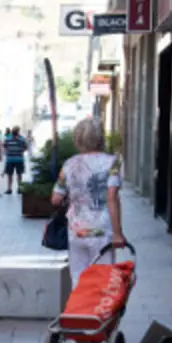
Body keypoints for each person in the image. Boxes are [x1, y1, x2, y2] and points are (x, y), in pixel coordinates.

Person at [52, 118, 125, 283]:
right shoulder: (112, 162)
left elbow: (56, 199)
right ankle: (98, 309)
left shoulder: (68, 165)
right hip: (102, 231)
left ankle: (80, 309)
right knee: (102, 281)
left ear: (77, 139)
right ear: (100, 139)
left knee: (79, 281)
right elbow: (112, 197)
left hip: (77, 230)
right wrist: (117, 233)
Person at [2, 126, 29, 194]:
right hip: (18, 159)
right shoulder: (22, 139)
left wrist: (9, 150)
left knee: (10, 175)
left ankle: (10, 189)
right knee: (18, 175)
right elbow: (26, 147)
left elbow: (4, 146)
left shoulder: (8, 138)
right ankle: (18, 189)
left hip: (11, 159)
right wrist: (21, 150)